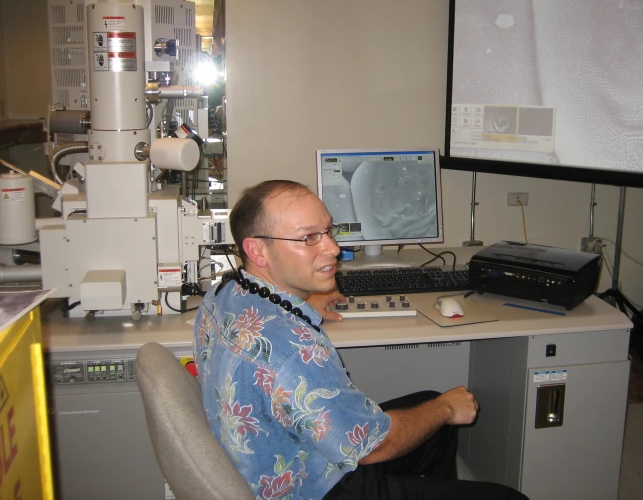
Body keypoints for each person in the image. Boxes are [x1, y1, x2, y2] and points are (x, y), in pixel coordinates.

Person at [193, 180, 528, 500]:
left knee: (429, 412)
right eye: (309, 237)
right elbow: (372, 448)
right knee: (503, 491)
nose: (333, 248)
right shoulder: (294, 348)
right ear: (258, 250)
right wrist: (445, 409)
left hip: (278, 456)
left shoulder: (224, 291)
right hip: (316, 487)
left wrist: (301, 303)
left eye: (328, 230)